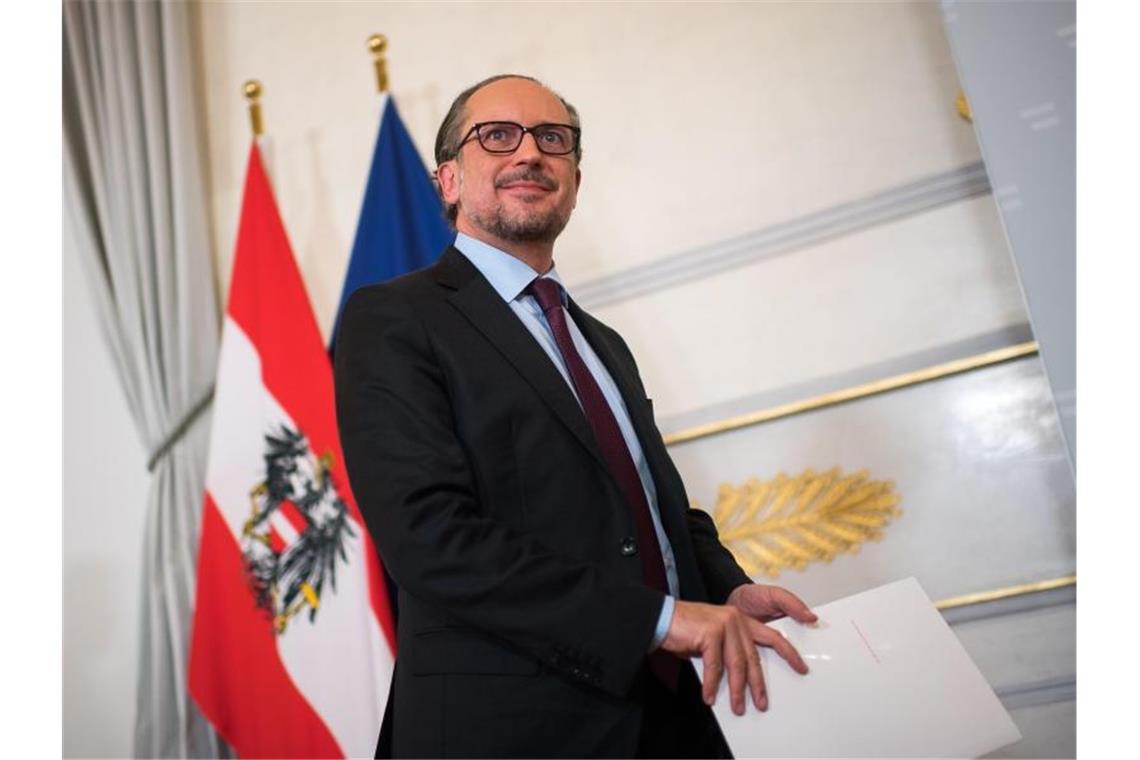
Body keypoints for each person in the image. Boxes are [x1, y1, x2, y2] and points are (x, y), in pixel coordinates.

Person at [334, 74, 819, 758]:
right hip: (512, 729)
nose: (530, 153)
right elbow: (429, 537)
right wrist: (657, 620)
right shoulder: (395, 318)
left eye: (552, 139)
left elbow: (657, 507)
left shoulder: (601, 341)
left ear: (575, 180)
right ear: (448, 181)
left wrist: (727, 590)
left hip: (678, 715)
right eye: (498, 136)